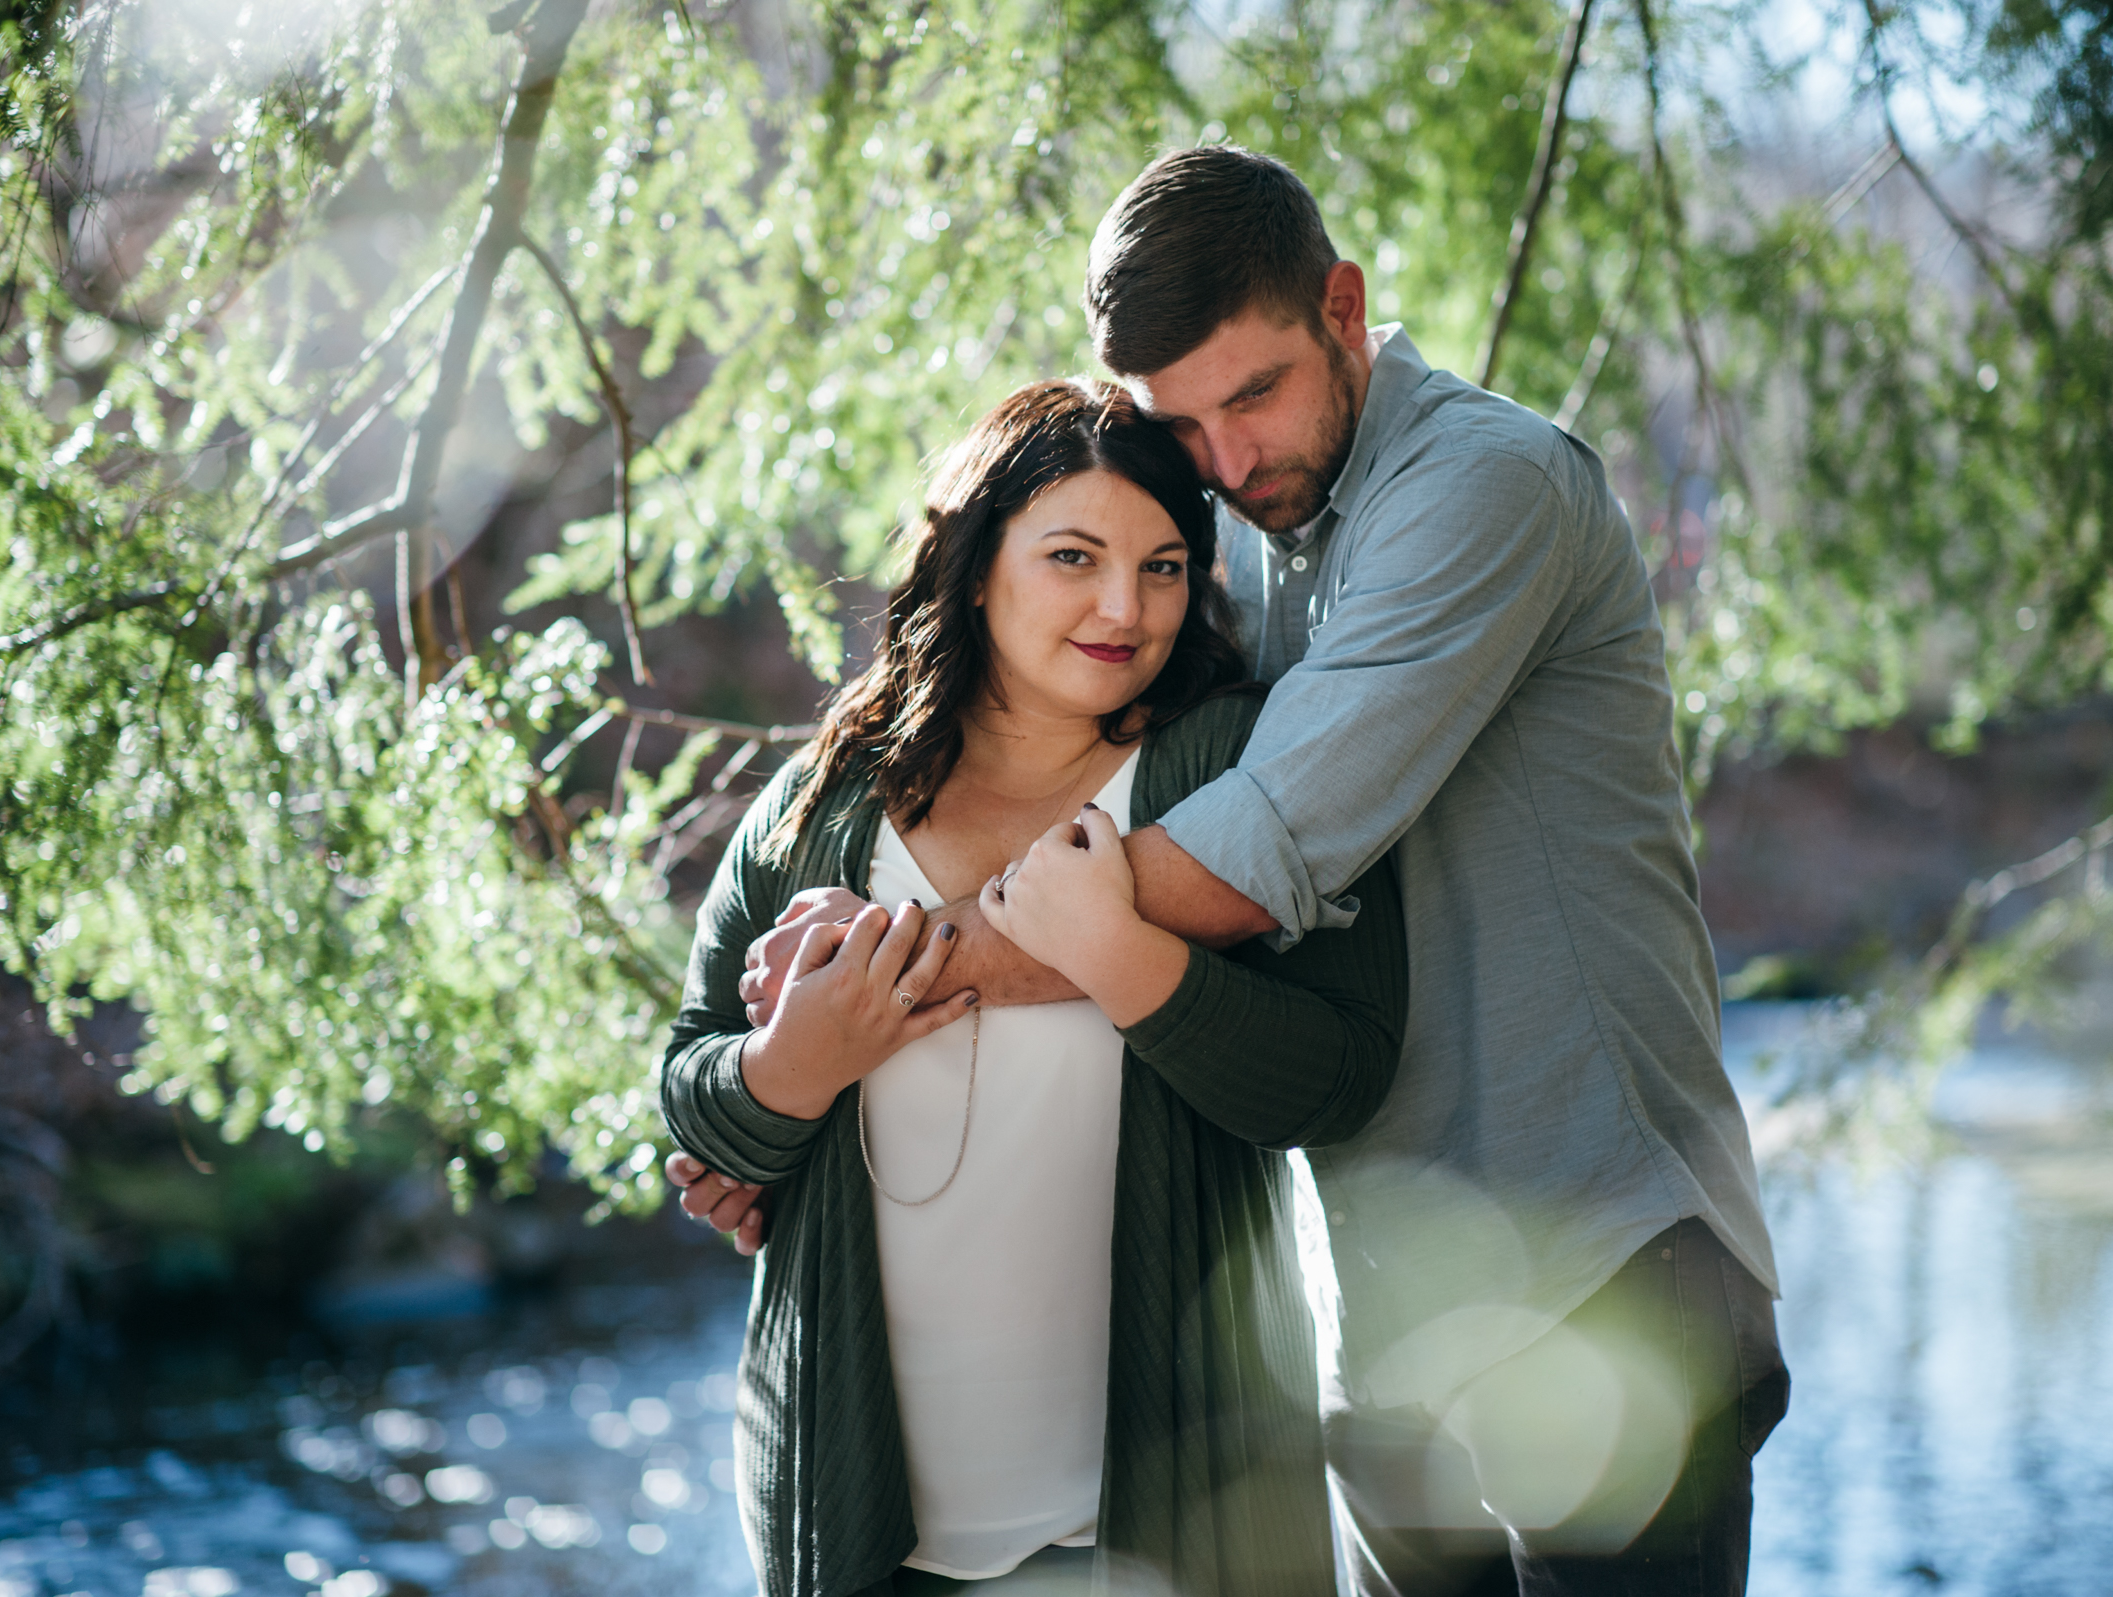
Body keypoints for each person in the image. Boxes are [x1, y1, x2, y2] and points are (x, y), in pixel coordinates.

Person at [707, 147, 1789, 1596]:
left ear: (1344, 307)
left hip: (1598, 1264)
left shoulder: (1486, 485)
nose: (1220, 461)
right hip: (1387, 1306)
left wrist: (879, 985)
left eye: (1254, 393)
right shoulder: (1249, 527)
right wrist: (786, 1095)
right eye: (1179, 422)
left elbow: (1250, 856)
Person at [660, 380, 1407, 1597]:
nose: (1126, 606)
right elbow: (696, 1099)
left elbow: (1338, 1078)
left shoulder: (1235, 768)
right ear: (970, 565)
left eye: (1165, 567)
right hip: (865, 1535)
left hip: (1178, 1531)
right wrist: (790, 1071)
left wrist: (1119, 955)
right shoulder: (820, 811)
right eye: (1075, 556)